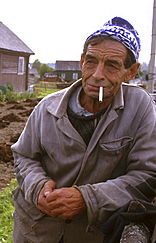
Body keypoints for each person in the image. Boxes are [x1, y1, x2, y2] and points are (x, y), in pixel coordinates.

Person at [11, 16, 156, 243]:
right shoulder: (47, 108)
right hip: (36, 229)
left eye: (112, 65)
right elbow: (24, 156)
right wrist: (37, 186)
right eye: (91, 61)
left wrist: (88, 198)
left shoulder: (140, 108)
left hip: (92, 233)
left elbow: (146, 175)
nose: (97, 74)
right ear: (81, 62)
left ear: (131, 72)